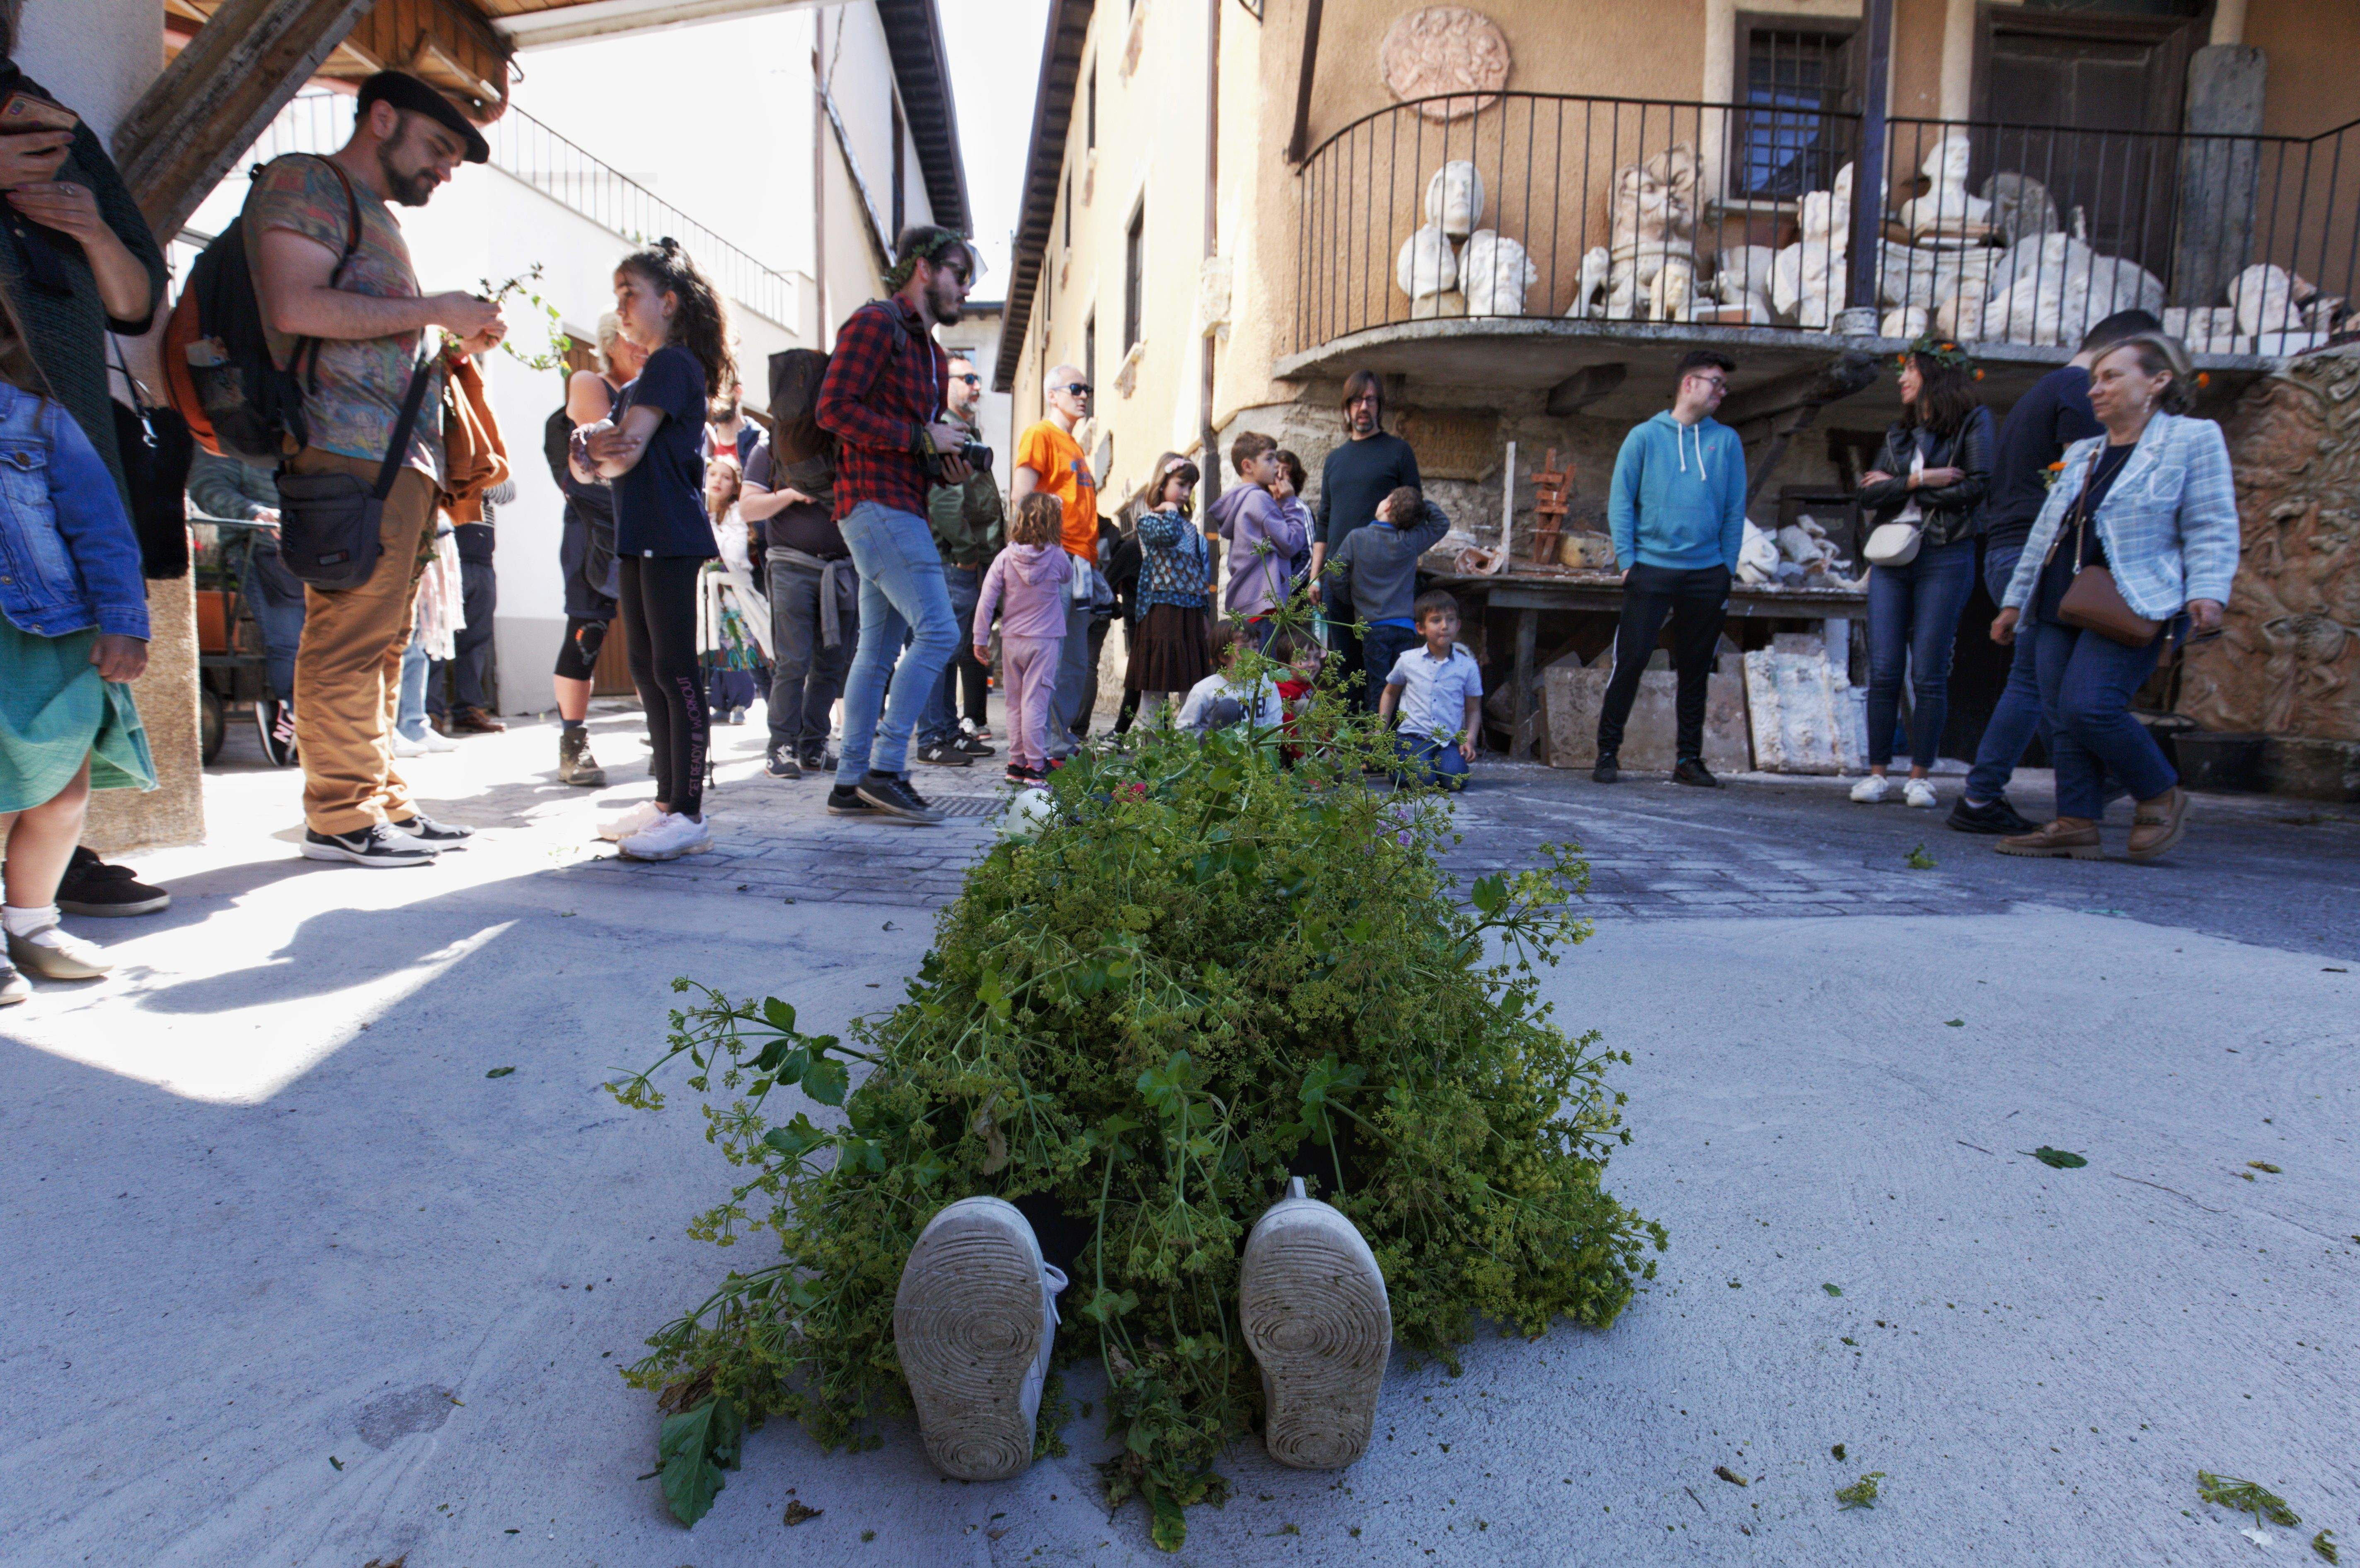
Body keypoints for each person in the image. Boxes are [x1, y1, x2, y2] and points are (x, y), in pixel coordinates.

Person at [249, 70, 503, 867]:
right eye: (439, 146)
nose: (446, 169)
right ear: (382, 118)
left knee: (387, 640)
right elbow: (295, 305)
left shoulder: (374, 214)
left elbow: (367, 328)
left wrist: (449, 338)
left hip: (395, 459)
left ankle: (379, 798)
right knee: (348, 635)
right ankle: (339, 812)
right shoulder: (307, 183)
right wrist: (434, 311)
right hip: (345, 451)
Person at [1992, 332, 2235, 864]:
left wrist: (2207, 589)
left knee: (2090, 705)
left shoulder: (2192, 438)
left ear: (2158, 381)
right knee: (2060, 715)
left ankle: (2159, 791)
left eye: (2110, 377)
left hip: (2135, 597)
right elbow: (2045, 533)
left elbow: (2211, 522)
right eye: (2094, 380)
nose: (2094, 390)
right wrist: (2014, 601)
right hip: (2060, 596)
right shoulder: (2085, 451)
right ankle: (2075, 822)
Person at [1949, 308, 2158, 835]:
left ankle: (1991, 796)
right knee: (2043, 687)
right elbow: (2081, 491)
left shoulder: (2046, 389)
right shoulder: (2077, 392)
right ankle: (2089, 786)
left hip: (2009, 550)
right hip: (2035, 553)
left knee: (2034, 683)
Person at [816, 225, 979, 823]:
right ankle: (886, 770)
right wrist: (920, 437)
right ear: (923, 269)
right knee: (938, 632)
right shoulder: (875, 323)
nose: (965, 288)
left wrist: (945, 464)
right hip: (872, 503)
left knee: (878, 650)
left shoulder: (931, 354)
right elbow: (833, 409)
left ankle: (850, 782)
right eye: (958, 273)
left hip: (900, 503)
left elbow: (914, 443)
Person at [0, 380, 157, 997]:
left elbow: (101, 527)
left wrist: (124, 620)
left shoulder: (36, 418)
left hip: (48, 631)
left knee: (62, 792)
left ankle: (33, 924)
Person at [582, 238, 734, 863]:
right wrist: (596, 449)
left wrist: (593, 447)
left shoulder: (673, 363)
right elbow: (602, 458)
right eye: (616, 295)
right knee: (647, 668)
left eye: (630, 294)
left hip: (669, 534)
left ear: (668, 302)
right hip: (641, 534)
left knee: (673, 669)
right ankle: (667, 801)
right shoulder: (649, 374)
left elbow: (621, 452)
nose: (620, 307)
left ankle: (688, 811)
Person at [1847, 337, 1994, 811]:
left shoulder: (1973, 422)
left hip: (1944, 553)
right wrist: (1919, 480)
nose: (1901, 377)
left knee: (1929, 671)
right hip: (1892, 558)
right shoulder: (1899, 433)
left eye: (1909, 368)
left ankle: (1919, 777)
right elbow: (1867, 495)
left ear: (1935, 374)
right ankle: (1876, 774)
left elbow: (1977, 487)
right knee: (1884, 668)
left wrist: (1898, 488)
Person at [1593, 350, 1746, 789]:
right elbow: (1621, 501)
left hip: (1707, 573)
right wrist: (1627, 562)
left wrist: (1727, 568)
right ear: (1688, 384)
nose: (1721, 392)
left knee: (1696, 668)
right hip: (1651, 569)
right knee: (1631, 661)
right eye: (1715, 383)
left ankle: (1687, 760)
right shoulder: (1643, 437)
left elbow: (1735, 509)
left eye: (1724, 385)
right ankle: (1607, 753)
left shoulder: (1727, 442)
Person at [548, 311, 644, 788]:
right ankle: (573, 742)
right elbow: (607, 448)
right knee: (587, 633)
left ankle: (664, 739)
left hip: (642, 526)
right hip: (595, 531)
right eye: (631, 338)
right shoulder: (590, 381)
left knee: (654, 637)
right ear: (609, 343)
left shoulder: (652, 391)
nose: (641, 346)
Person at [749, 403, 853, 781]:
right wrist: (792, 494)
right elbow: (747, 508)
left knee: (832, 664)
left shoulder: (842, 447)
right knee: (792, 661)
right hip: (791, 566)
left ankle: (813, 746)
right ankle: (780, 745)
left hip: (840, 570)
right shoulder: (769, 449)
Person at [1310, 370, 1421, 704]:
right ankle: (1352, 734)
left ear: (1379, 406)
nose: (1363, 407)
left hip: (1379, 581)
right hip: (1339, 577)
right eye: (1356, 400)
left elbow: (1414, 510)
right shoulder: (1335, 459)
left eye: (1370, 400)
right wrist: (1316, 576)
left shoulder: (1398, 451)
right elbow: (1325, 519)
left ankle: (1382, 736)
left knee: (1384, 673)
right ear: (1346, 408)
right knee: (1345, 666)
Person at [189, 450, 304, 766]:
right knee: (289, 641)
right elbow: (207, 485)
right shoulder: (227, 436)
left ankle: (318, 724)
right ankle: (296, 721)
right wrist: (255, 512)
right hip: (263, 551)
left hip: (326, 548)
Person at [916, 353, 1002, 767]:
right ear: (945, 383)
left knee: (952, 650)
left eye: (977, 378)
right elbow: (946, 503)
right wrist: (967, 556)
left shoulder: (966, 433)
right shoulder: (946, 432)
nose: (976, 386)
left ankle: (948, 731)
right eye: (967, 378)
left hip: (964, 562)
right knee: (940, 650)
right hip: (952, 561)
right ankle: (932, 736)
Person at [1010, 364, 1098, 760]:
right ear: (1052, 395)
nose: (1083, 396)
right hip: (1054, 558)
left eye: (1087, 389)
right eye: (1075, 388)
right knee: (1050, 658)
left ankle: (1058, 744)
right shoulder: (1040, 434)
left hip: (1079, 562)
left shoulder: (1074, 446)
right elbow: (1022, 496)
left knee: (1073, 661)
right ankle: (1040, 744)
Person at [973, 492, 1072, 785]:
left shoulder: (1005, 558)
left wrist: (980, 638)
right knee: (1035, 703)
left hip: (1012, 641)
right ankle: (1037, 766)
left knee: (1014, 703)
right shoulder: (1057, 556)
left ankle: (1017, 763)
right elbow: (1067, 577)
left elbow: (987, 599)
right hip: (1044, 640)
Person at [1326, 483, 1451, 706]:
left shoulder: (1357, 538)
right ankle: (1397, 728)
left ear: (1389, 505)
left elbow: (1335, 576)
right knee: (1402, 688)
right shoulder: (1409, 541)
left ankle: (1376, 728)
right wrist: (1419, 505)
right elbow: (1442, 523)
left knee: (1379, 687)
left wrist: (1352, 599)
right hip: (1405, 626)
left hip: (1372, 627)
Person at [1124, 455, 1214, 725]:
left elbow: (1198, 574)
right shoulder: (1148, 521)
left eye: (1190, 487)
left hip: (1190, 612)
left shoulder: (1191, 529)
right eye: (1181, 485)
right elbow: (1168, 536)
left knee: (1192, 682)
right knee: (1155, 681)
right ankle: (1152, 744)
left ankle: (1190, 740)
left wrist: (1204, 614)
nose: (1186, 493)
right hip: (1161, 610)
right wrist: (1171, 510)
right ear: (1162, 483)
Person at [1209, 432, 1307, 652]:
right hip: (1265, 605)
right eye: (1269, 459)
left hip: (1248, 603)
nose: (1276, 466)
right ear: (1248, 466)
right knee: (1266, 670)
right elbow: (1291, 543)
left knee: (1253, 668)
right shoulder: (1259, 499)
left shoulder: (1242, 500)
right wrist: (1290, 503)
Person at [1380, 590, 1483, 790]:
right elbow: (1390, 692)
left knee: (1455, 780)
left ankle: (1437, 767)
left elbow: (1473, 708)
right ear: (1421, 628)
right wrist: (1381, 728)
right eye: (1436, 621)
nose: (1445, 626)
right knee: (1422, 780)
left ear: (1458, 625)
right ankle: (1399, 764)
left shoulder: (1468, 666)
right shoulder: (1408, 660)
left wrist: (1470, 739)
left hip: (1448, 740)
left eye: (1450, 620)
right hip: (1413, 738)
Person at [427, 477, 506, 736]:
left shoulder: (490, 467)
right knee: (437, 638)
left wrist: (476, 477)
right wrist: (471, 480)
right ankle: (431, 714)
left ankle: (468, 711)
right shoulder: (449, 465)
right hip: (446, 558)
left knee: (476, 641)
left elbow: (508, 492)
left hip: (483, 562)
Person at [697, 452, 762, 724]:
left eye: (726, 477)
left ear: (735, 486)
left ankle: (739, 703)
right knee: (708, 647)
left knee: (734, 643)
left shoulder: (736, 513)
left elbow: (734, 552)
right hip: (703, 589)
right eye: (713, 474)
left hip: (730, 589)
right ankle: (717, 702)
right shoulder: (698, 509)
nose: (717, 481)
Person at [1177, 620, 1285, 736]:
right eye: (1244, 649)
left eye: (1255, 647)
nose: (1254, 654)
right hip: (1216, 745)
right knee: (1228, 707)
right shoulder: (1205, 690)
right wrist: (1208, 741)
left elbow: (1276, 728)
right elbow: (1183, 731)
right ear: (1223, 656)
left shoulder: (1266, 683)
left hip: (1256, 745)